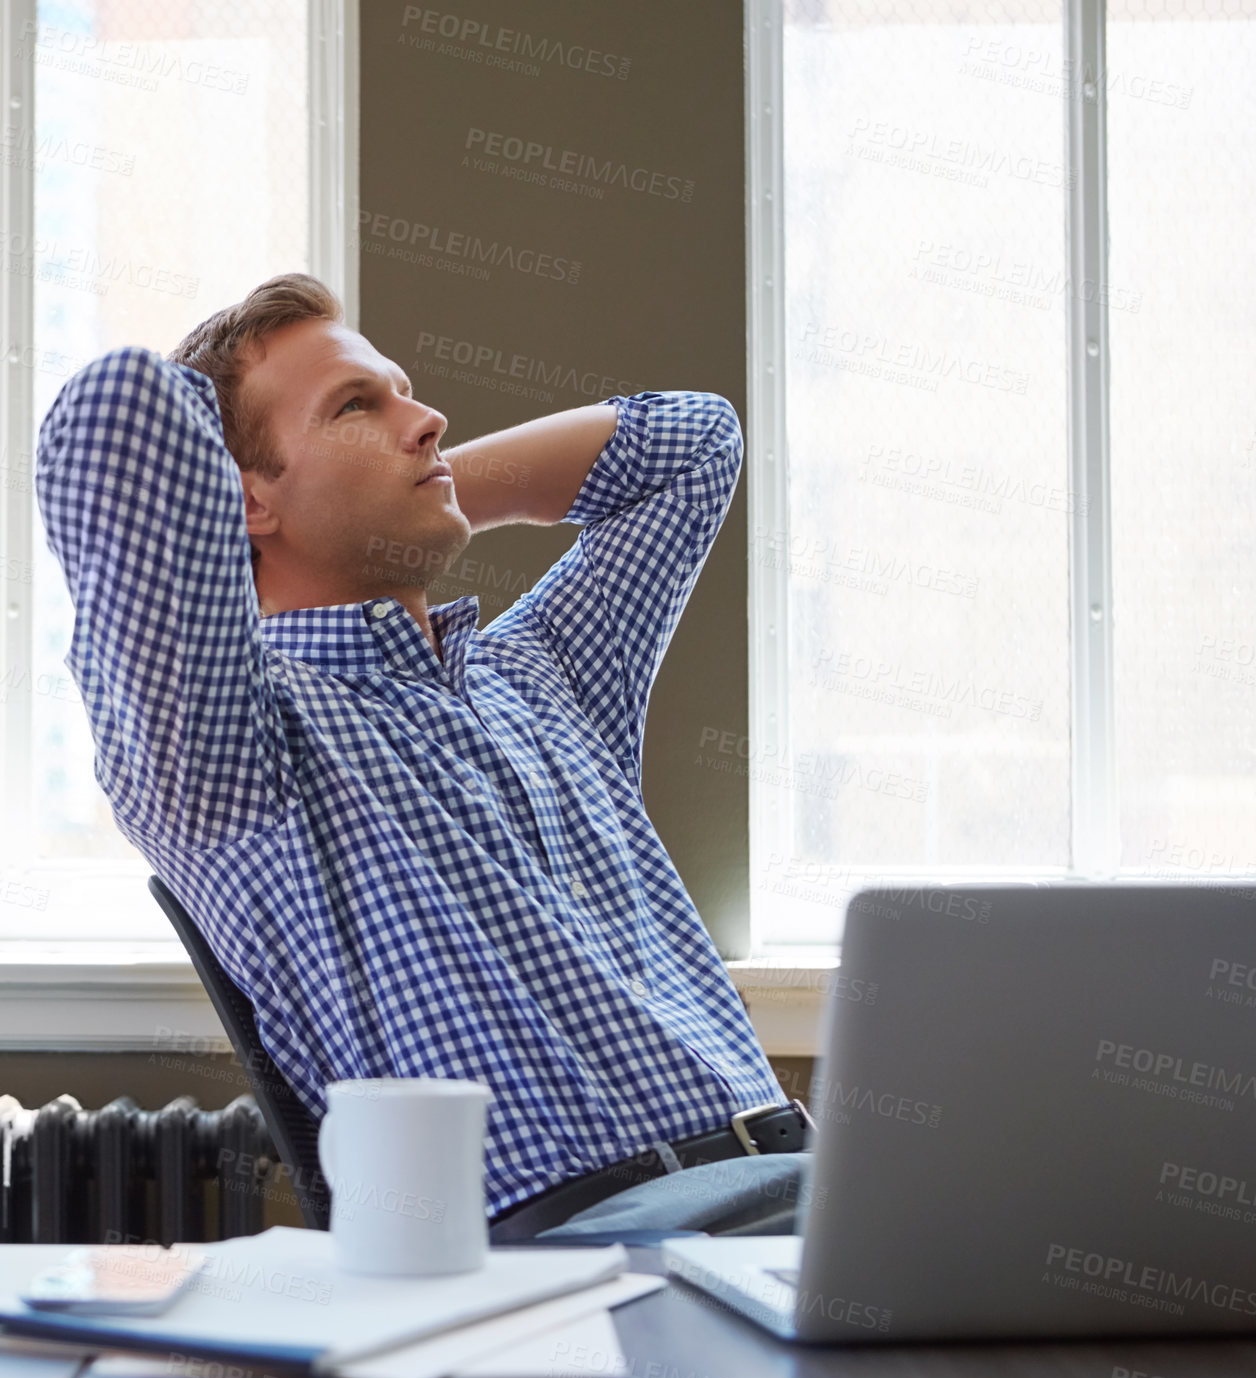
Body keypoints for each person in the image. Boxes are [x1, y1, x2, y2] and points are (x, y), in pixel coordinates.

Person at [34, 272, 813, 1240]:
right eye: (357, 405)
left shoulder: (545, 674)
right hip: (589, 1249)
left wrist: (409, 495)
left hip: (804, 1184)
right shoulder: (232, 741)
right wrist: (320, 503)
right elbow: (119, 414)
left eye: (405, 392)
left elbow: (691, 442)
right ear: (236, 496)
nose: (429, 419)